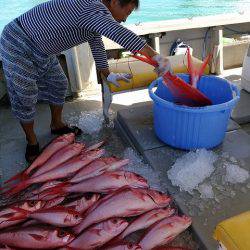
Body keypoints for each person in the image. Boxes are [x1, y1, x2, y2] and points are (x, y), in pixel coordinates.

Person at [0, 0, 171, 162]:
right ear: (113, 2)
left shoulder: (95, 14)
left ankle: (57, 124)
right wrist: (156, 56)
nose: (125, 19)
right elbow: (119, 33)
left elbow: (96, 42)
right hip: (17, 42)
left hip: (42, 49)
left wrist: (107, 73)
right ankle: (31, 141)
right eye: (126, 12)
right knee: (26, 95)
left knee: (59, 83)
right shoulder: (92, 7)